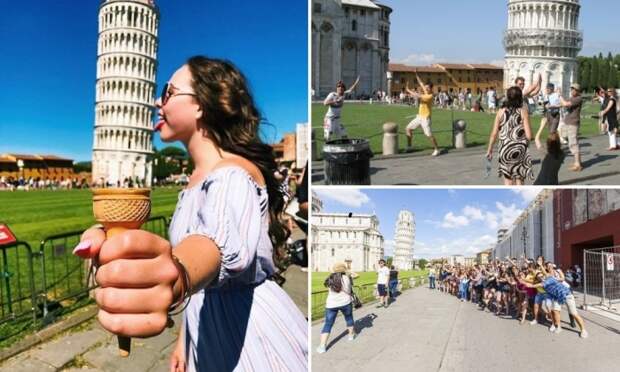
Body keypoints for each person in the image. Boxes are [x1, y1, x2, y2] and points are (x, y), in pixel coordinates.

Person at [74, 56, 307, 371]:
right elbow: (202, 276)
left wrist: (175, 275)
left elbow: (215, 246)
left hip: (249, 333)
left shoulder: (231, 173)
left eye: (168, 92)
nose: (158, 101)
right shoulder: (197, 179)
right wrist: (184, 341)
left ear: (200, 105)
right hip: (207, 326)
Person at [486, 86, 533, 185]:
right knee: (519, 178)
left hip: (504, 148)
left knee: (508, 180)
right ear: (520, 97)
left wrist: (489, 149)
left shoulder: (500, 111)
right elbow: (529, 135)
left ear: (507, 97)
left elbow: (494, 133)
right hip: (519, 148)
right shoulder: (523, 112)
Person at [316, 262, 357, 354]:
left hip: (331, 304)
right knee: (349, 318)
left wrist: (334, 271)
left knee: (328, 324)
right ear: (343, 270)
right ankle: (351, 336)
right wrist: (348, 271)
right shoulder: (347, 278)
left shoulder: (330, 278)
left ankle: (322, 346)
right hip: (345, 302)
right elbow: (356, 275)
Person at [404, 73, 440, 156]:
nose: (426, 89)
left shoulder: (430, 96)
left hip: (425, 118)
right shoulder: (426, 91)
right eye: (426, 88)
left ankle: (437, 149)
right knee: (408, 129)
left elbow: (418, 96)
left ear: (431, 88)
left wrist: (408, 90)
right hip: (419, 117)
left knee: (428, 134)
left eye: (428, 88)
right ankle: (409, 147)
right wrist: (416, 74)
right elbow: (421, 83)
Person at [323, 77, 360, 141]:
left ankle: (344, 149)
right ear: (336, 88)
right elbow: (325, 103)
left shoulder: (344, 95)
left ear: (344, 89)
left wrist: (356, 82)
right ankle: (328, 149)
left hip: (337, 120)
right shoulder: (332, 94)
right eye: (338, 86)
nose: (340, 88)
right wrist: (335, 101)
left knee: (344, 135)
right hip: (329, 119)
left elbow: (351, 89)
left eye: (341, 86)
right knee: (328, 136)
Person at [560, 83, 584, 171]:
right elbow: (564, 104)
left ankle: (578, 165)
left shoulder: (578, 98)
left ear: (578, 91)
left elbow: (566, 104)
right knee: (571, 141)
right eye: (572, 89)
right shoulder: (572, 98)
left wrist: (560, 96)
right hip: (568, 122)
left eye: (574, 89)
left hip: (573, 123)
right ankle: (578, 162)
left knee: (573, 143)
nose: (572, 90)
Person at [535, 83, 561, 149]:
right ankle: (555, 145)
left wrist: (553, 106)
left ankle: (553, 146)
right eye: (546, 88)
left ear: (552, 89)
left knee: (552, 131)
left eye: (548, 88)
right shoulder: (546, 96)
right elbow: (544, 105)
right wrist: (540, 102)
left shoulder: (557, 95)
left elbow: (561, 104)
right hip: (548, 115)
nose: (547, 89)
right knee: (551, 132)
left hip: (555, 115)